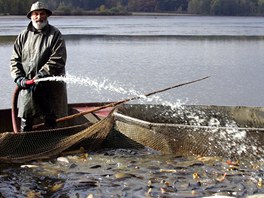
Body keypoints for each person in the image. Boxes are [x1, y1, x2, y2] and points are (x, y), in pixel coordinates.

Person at [10, 1, 68, 132]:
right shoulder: (23, 36)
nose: (39, 17)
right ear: (31, 16)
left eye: (42, 14)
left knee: (50, 122)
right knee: (26, 120)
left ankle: (52, 148)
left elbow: (58, 59)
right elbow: (14, 60)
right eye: (35, 14)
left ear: (47, 16)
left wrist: (41, 76)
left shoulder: (55, 34)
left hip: (50, 88)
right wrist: (19, 78)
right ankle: (26, 148)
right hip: (28, 88)